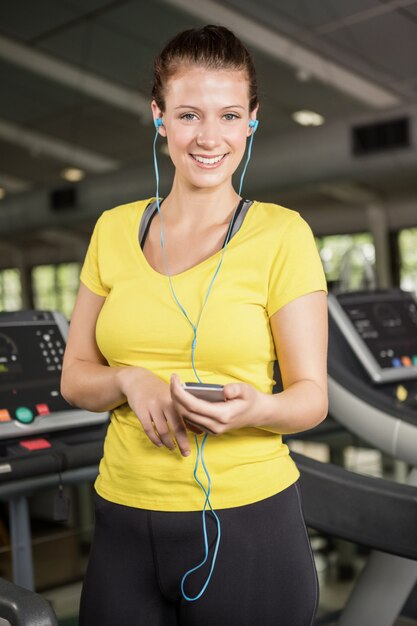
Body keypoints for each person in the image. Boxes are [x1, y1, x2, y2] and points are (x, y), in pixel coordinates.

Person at [61, 24, 328, 626]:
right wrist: (129, 379)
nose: (210, 138)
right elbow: (76, 378)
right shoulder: (112, 230)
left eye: (229, 115)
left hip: (247, 522)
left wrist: (254, 409)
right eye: (188, 115)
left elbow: (311, 398)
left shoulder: (282, 236)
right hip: (122, 516)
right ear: (158, 117)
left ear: (252, 121)